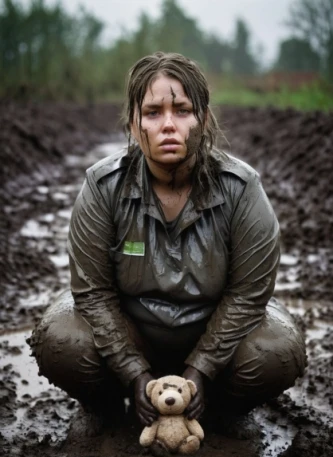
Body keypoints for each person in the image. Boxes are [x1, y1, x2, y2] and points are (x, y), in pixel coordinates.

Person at [28, 52, 306, 436]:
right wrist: (133, 371)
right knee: (61, 339)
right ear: (133, 122)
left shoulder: (241, 188)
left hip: (215, 336)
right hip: (130, 333)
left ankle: (224, 408)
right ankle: (107, 405)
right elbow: (92, 292)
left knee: (278, 350)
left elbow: (248, 294)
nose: (169, 125)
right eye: (153, 112)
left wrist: (200, 370)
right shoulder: (103, 186)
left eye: (183, 110)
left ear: (203, 119)